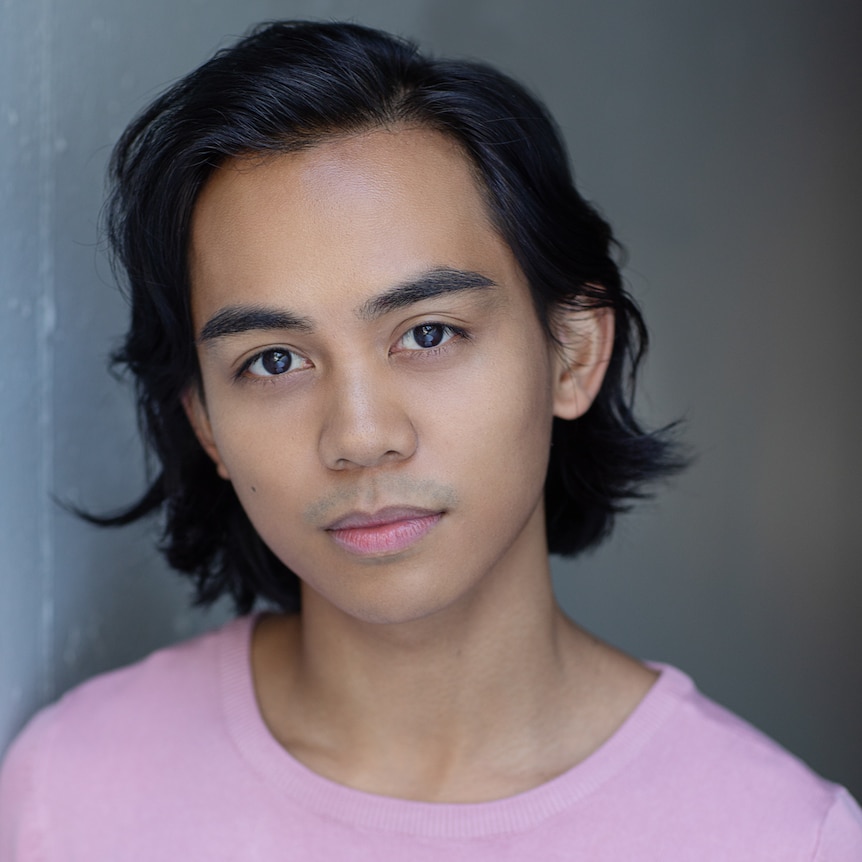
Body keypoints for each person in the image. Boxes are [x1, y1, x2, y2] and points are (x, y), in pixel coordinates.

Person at [1, 20, 860, 860]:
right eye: (273, 360)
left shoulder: (786, 838)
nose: (362, 436)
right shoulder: (68, 790)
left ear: (574, 353)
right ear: (205, 423)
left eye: (429, 334)